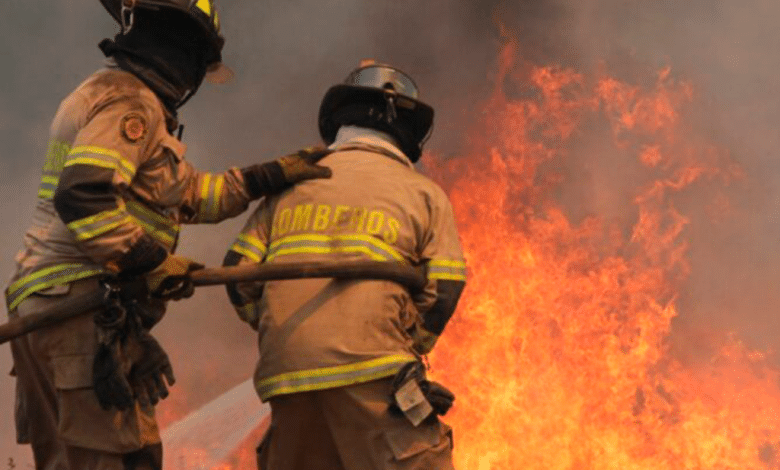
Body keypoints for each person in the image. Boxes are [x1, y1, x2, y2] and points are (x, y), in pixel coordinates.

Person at [4, 1, 331, 469]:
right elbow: (84, 196)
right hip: (78, 306)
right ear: (185, 51)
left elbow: (190, 194)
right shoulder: (130, 103)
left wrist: (267, 176)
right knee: (116, 462)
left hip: (51, 303)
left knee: (72, 461)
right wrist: (153, 263)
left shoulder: (112, 95)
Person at [224, 60, 467, 470]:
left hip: (287, 374)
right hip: (374, 369)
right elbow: (445, 288)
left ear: (339, 122)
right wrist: (411, 347)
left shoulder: (290, 188)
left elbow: (237, 275)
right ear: (407, 134)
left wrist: (278, 324)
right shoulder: (423, 193)